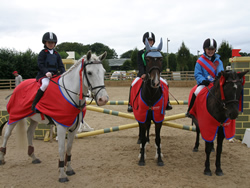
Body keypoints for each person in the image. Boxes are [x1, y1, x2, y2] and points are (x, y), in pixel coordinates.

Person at [127, 32, 172, 112]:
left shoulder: (157, 53)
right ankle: (130, 104)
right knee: (133, 84)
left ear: (153, 41)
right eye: (148, 40)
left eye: (151, 40)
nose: (150, 42)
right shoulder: (140, 53)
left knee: (165, 83)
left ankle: (167, 103)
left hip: (154, 74)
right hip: (143, 74)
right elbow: (140, 64)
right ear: (144, 41)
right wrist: (142, 73)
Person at [187, 38, 224, 114]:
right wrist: (203, 80)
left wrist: (218, 79)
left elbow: (221, 72)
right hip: (204, 84)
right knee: (196, 92)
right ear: (205, 49)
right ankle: (191, 111)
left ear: (215, 50)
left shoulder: (218, 61)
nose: (210, 51)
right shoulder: (200, 61)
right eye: (208, 49)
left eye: (212, 49)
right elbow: (197, 74)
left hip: (216, 83)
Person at [31, 32, 66, 111]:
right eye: (49, 42)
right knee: (45, 84)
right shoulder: (43, 53)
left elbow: (61, 66)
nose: (51, 44)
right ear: (45, 43)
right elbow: (40, 65)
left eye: (52, 42)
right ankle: (35, 104)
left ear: (55, 44)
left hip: (55, 75)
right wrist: (46, 72)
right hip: (44, 75)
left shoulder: (57, 54)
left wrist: (64, 73)